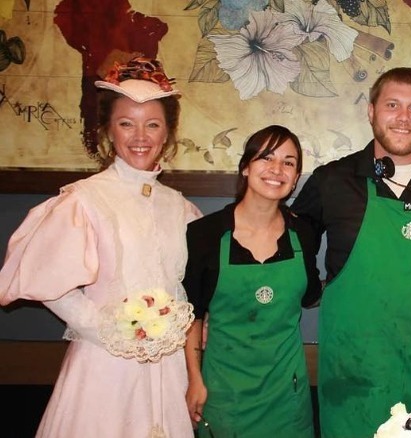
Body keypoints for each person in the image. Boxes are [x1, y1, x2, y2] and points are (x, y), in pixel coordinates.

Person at [0, 57, 201, 437]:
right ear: (109, 130)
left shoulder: (180, 207)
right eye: (127, 124)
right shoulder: (84, 200)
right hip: (105, 367)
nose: (140, 137)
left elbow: (186, 287)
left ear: (167, 133)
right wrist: (113, 329)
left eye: (152, 125)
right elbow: (52, 285)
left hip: (169, 369)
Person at [291, 67, 411, 438]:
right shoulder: (332, 181)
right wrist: (311, 290)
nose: (403, 118)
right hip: (355, 369)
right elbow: (292, 240)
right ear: (371, 110)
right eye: (393, 105)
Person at [182, 125, 322, 437]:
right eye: (266, 158)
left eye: (289, 162)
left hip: (288, 394)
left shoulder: (303, 234)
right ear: (246, 167)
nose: (277, 169)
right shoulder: (205, 234)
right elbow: (191, 315)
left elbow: (311, 293)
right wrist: (194, 379)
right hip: (223, 394)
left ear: (296, 177)